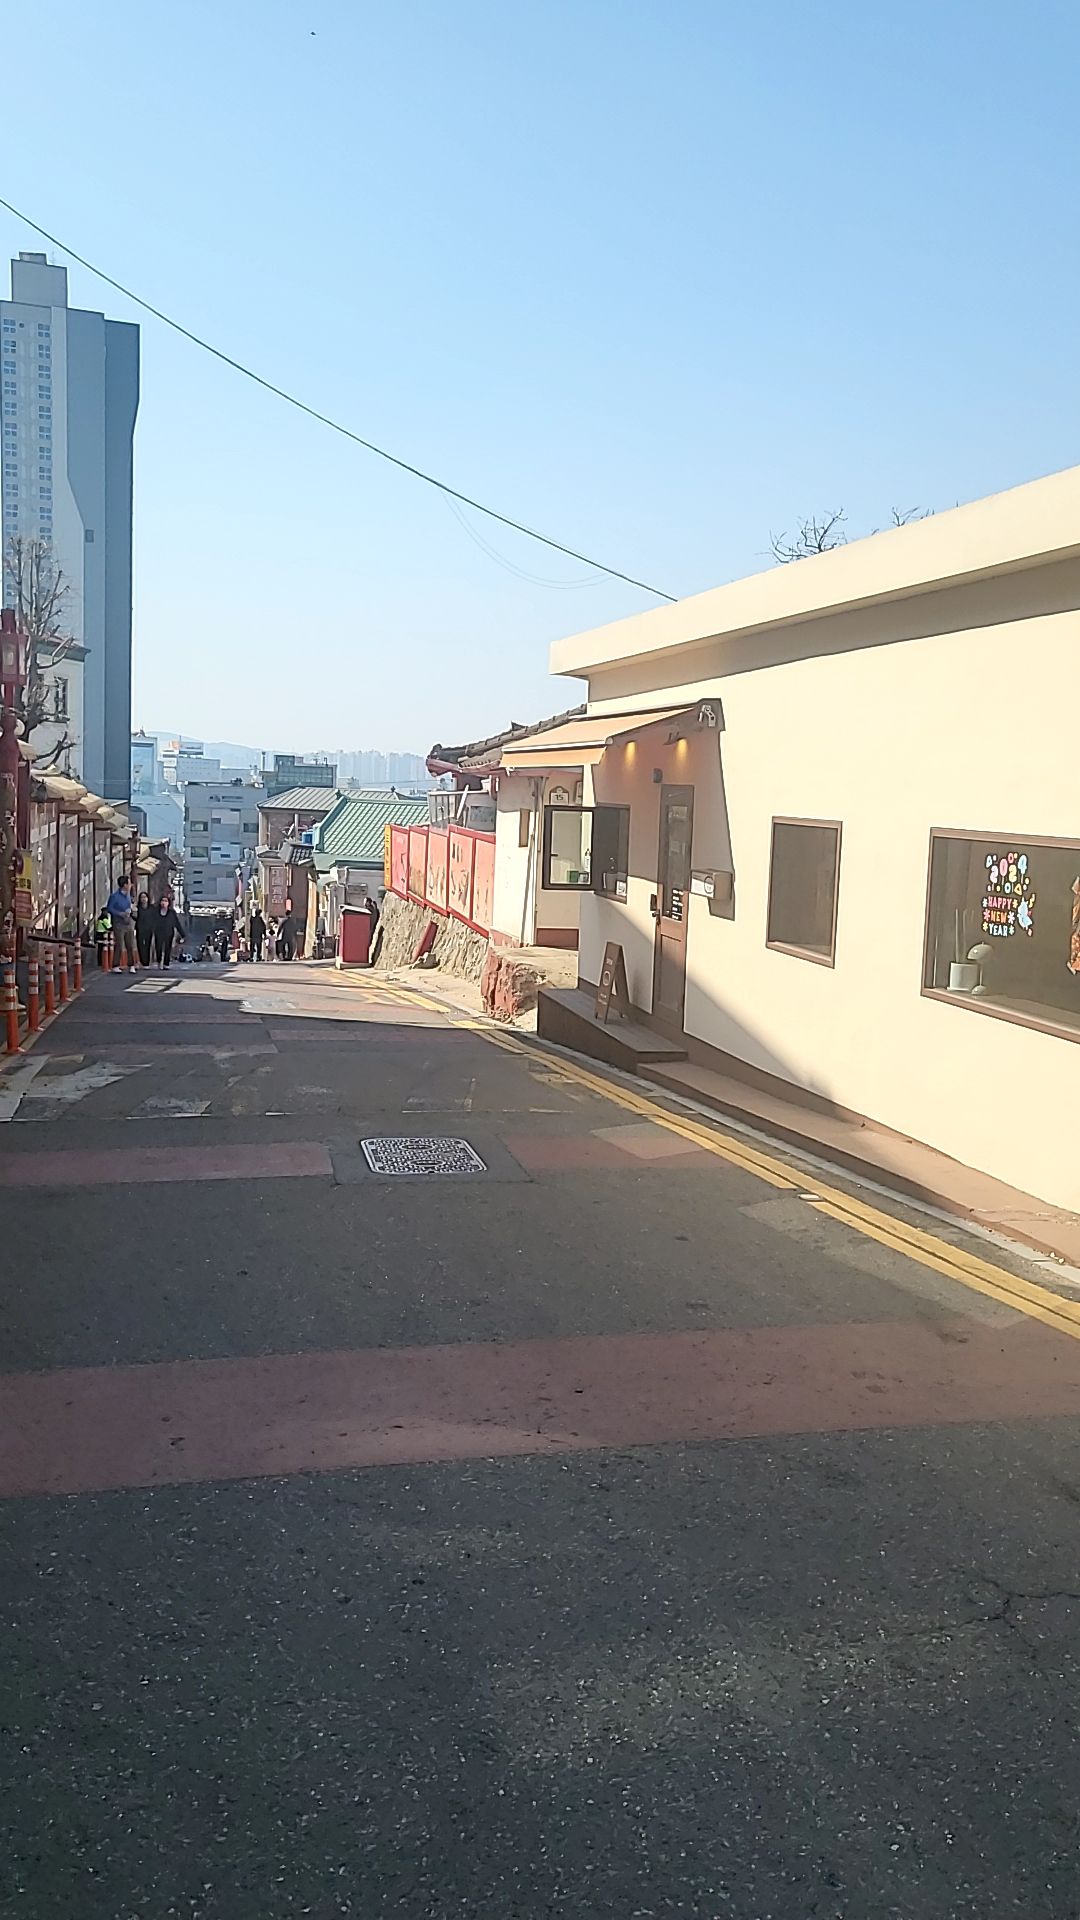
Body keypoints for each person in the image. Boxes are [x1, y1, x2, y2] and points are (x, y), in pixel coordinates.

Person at [106, 876, 138, 971]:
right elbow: (110, 908)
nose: (130, 885)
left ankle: (131, 965)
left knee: (130, 944)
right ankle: (115, 965)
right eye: (129, 883)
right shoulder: (114, 896)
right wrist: (120, 913)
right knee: (119, 944)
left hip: (128, 922)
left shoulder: (128, 896)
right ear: (124, 885)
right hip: (118, 923)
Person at [153, 894, 185, 969]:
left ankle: (166, 963)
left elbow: (177, 923)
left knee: (168, 948)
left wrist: (182, 934)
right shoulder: (156, 912)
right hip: (159, 932)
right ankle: (159, 961)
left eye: (165, 901)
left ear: (168, 903)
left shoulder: (172, 913)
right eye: (162, 901)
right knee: (158, 947)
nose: (163, 902)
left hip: (169, 933)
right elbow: (152, 922)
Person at [135, 891, 155, 969]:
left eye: (145, 897)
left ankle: (146, 962)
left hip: (149, 929)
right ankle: (142, 961)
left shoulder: (152, 908)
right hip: (140, 928)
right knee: (140, 945)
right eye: (142, 897)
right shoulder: (137, 908)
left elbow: (154, 918)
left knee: (147, 945)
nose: (143, 899)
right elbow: (135, 918)